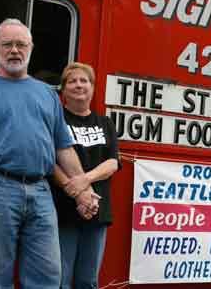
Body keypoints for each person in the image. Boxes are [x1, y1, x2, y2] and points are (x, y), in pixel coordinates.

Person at [0, 18, 95, 289]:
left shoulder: (46, 94)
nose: (14, 50)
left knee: (48, 276)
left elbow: (63, 148)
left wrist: (84, 188)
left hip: (41, 190)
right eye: (7, 44)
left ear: (31, 48)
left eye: (21, 44)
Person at [51, 62, 120, 289]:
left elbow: (112, 162)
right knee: (60, 279)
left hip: (97, 211)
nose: (78, 85)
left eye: (84, 81)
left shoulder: (105, 123)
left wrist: (85, 180)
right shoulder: (56, 120)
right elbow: (50, 161)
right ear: (63, 89)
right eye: (72, 81)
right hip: (64, 210)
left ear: (92, 88)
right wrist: (78, 192)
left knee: (87, 281)